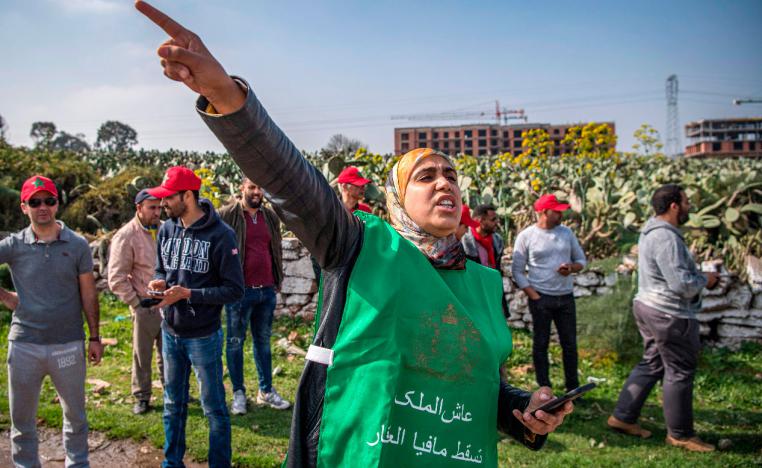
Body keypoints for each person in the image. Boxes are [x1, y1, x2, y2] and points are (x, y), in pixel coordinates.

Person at [136, 3, 573, 467]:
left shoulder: (482, 282)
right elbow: (291, 181)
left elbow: (480, 381)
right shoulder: (357, 246)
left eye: (451, 174)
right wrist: (225, 95)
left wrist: (520, 410)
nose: (445, 182)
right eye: (426, 176)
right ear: (396, 199)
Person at [0, 175, 103, 468]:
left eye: (48, 200)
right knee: (22, 422)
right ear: (24, 207)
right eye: (35, 202)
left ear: (57, 204)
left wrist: (94, 336)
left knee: (76, 417)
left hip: (68, 345)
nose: (42, 207)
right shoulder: (14, 245)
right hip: (24, 347)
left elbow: (88, 291)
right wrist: (6, 297)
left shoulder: (78, 244)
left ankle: (78, 464)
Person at [146, 166, 245, 468]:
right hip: (170, 332)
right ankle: (171, 463)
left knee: (213, 408)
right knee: (172, 404)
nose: (163, 204)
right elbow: (162, 268)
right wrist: (158, 282)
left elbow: (234, 290)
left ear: (187, 196)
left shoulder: (222, 235)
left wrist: (189, 295)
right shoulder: (166, 229)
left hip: (203, 336)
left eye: (168, 198)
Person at [608, 184, 719, 452]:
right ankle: (680, 434)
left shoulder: (651, 231)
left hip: (648, 305)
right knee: (680, 371)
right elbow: (681, 284)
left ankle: (623, 416)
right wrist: (707, 279)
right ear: (674, 206)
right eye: (686, 202)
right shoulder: (666, 237)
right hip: (669, 312)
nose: (690, 206)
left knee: (652, 363)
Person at [218, 177, 288, 413]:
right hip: (240, 292)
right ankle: (238, 393)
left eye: (260, 187)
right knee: (235, 343)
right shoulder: (228, 214)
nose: (257, 192)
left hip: (266, 290)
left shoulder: (269, 216)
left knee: (263, 343)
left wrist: (277, 277)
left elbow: (274, 248)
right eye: (252, 187)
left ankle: (266, 390)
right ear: (242, 188)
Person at [511, 194, 587, 393]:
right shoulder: (527, 236)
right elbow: (517, 270)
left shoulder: (567, 233)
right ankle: (544, 388)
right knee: (541, 343)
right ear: (544, 212)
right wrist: (533, 295)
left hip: (565, 297)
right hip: (541, 298)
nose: (561, 214)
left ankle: (573, 388)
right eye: (557, 211)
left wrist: (571, 267)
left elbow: (582, 261)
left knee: (569, 344)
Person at [107, 189, 165, 415]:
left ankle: (172, 390)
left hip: (167, 303)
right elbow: (116, 277)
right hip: (145, 304)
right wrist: (136, 302)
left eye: (159, 207)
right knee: (142, 355)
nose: (157, 212)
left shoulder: (164, 230)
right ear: (139, 208)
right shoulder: (126, 235)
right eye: (152, 207)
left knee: (169, 353)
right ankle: (142, 396)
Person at [462, 204, 504, 271]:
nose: (497, 222)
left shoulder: (498, 240)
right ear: (480, 221)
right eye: (493, 220)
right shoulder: (465, 242)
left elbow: (497, 266)